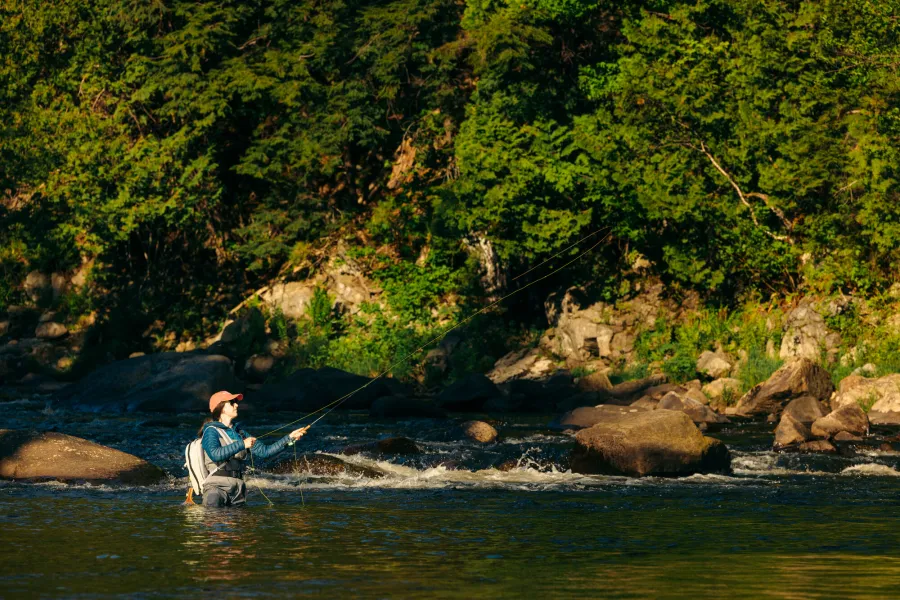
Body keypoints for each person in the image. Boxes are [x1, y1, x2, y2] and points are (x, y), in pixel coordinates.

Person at [199, 390, 309, 507]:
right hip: (216, 488)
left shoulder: (240, 433)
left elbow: (265, 452)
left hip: (238, 490)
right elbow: (215, 454)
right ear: (221, 408)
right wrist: (242, 444)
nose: (236, 405)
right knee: (213, 518)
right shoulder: (210, 431)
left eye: (236, 402)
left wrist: (289, 438)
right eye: (232, 402)